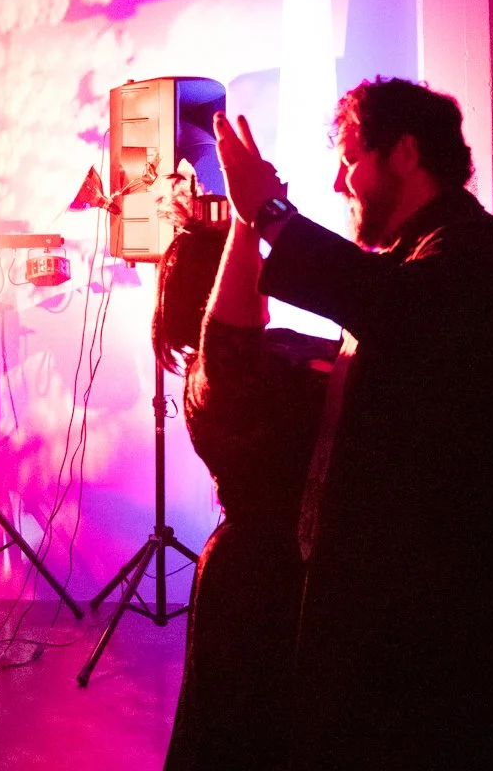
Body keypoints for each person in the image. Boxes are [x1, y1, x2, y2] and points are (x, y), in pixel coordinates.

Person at [212, 77, 493, 768]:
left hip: (492, 610)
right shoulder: (422, 256)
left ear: (404, 153)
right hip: (454, 601)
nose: (340, 183)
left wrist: (270, 211)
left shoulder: (475, 250)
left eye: (351, 159)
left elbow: (393, 307)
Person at [154, 187, 337, 770]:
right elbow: (230, 343)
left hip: (296, 569)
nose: (264, 275)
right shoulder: (214, 377)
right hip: (257, 580)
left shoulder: (276, 348)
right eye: (249, 266)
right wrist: (246, 216)